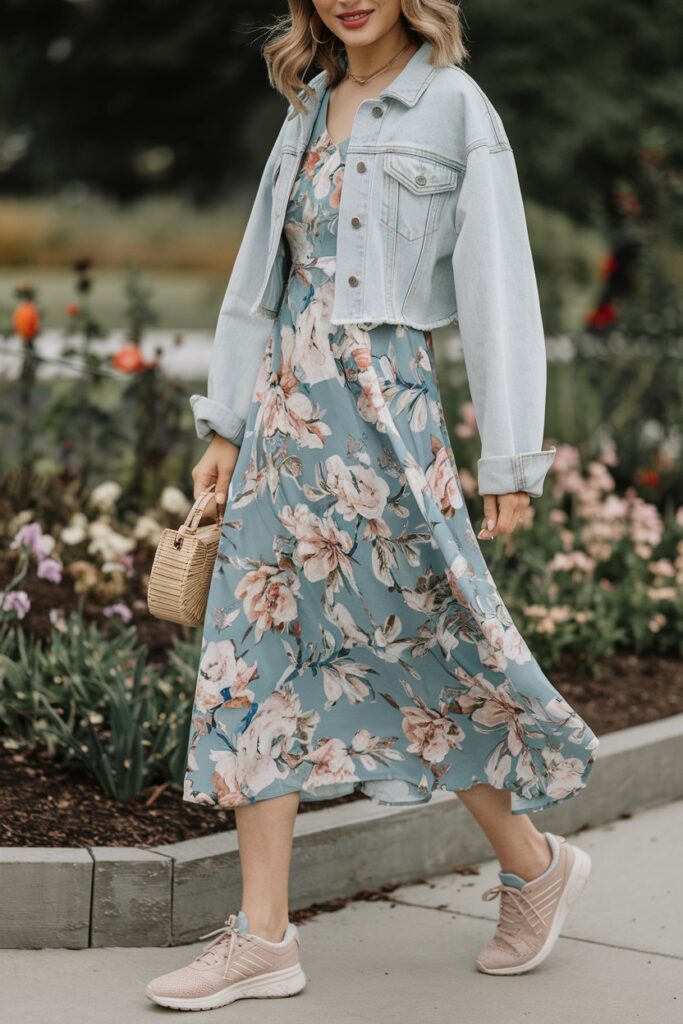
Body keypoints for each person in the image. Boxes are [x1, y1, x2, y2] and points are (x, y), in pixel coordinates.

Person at [146, 0, 600, 1010]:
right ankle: (262, 936)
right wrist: (224, 427)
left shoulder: (454, 108)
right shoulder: (307, 105)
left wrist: (508, 462)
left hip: (383, 422)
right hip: (278, 425)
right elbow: (256, 282)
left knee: (420, 647)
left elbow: (497, 290)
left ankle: (532, 864)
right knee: (250, 657)